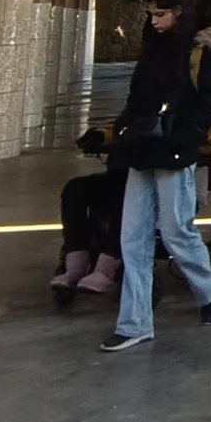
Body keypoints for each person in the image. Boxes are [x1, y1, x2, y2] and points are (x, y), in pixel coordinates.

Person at [101, 0, 211, 351]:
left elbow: (209, 103)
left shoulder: (202, 53)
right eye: (151, 14)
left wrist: (180, 139)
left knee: (176, 232)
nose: (154, 21)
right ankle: (135, 322)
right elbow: (137, 96)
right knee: (133, 238)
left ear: (179, 12)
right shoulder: (152, 49)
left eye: (161, 14)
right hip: (141, 151)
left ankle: (209, 286)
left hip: (173, 153)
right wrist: (121, 130)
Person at [51, 127, 128, 297]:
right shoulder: (138, 107)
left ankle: (107, 267)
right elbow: (124, 129)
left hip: (156, 177)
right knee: (75, 188)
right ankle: (76, 260)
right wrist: (101, 136)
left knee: (125, 197)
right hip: (122, 173)